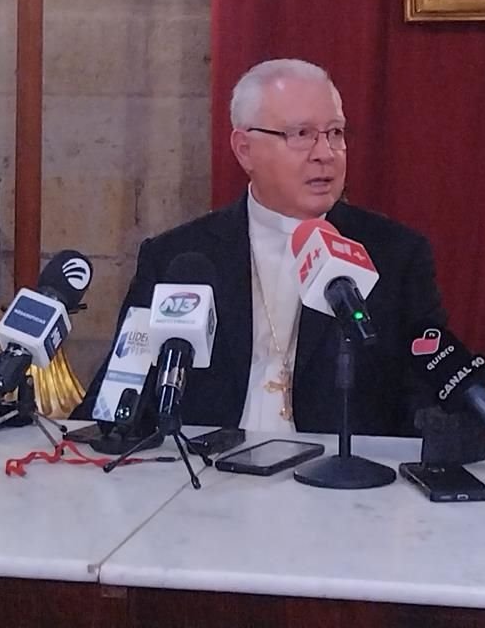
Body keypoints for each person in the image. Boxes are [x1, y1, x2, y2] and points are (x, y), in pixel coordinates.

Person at [72, 58, 446, 436]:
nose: (325, 153)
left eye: (335, 133)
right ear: (244, 149)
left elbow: (426, 401)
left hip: (339, 482)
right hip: (203, 475)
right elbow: (119, 393)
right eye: (301, 134)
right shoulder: (177, 257)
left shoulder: (395, 256)